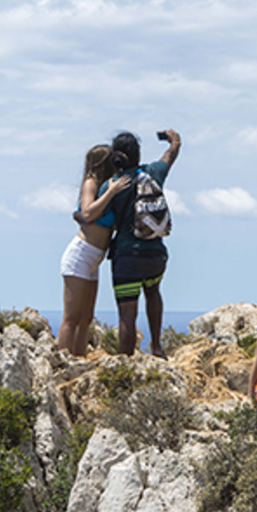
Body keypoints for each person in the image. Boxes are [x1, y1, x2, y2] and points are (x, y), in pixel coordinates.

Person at [106, 129, 182, 358]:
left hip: (127, 257)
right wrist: (174, 140)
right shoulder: (153, 173)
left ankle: (127, 361)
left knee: (127, 313)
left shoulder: (112, 185)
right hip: (155, 256)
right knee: (153, 292)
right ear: (138, 153)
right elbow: (170, 155)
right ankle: (157, 348)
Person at [57, 145, 131, 356]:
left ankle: (79, 360)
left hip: (93, 259)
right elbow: (88, 213)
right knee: (71, 318)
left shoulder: (107, 186)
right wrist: (111, 192)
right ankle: (62, 362)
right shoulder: (91, 183)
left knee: (85, 319)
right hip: (80, 255)